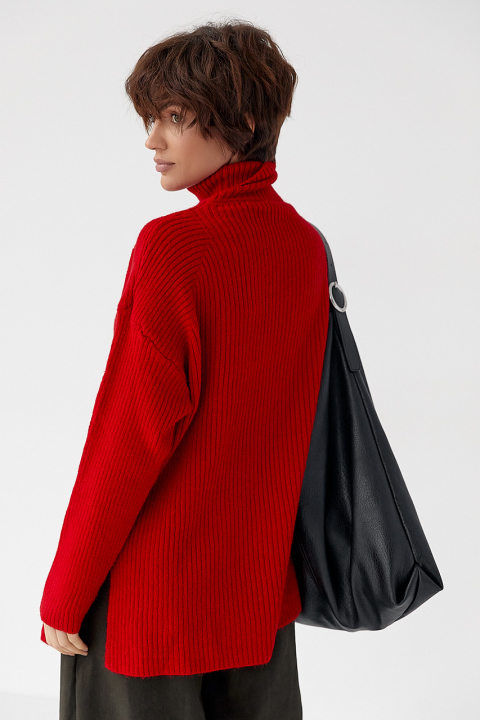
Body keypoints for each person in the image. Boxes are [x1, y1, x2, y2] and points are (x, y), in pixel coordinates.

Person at [39, 18, 330, 720]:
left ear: (244, 122)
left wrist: (66, 590)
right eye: (152, 118)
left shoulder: (174, 248)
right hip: (258, 594)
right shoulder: (305, 246)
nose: (152, 140)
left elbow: (131, 436)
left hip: (154, 603)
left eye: (174, 117)